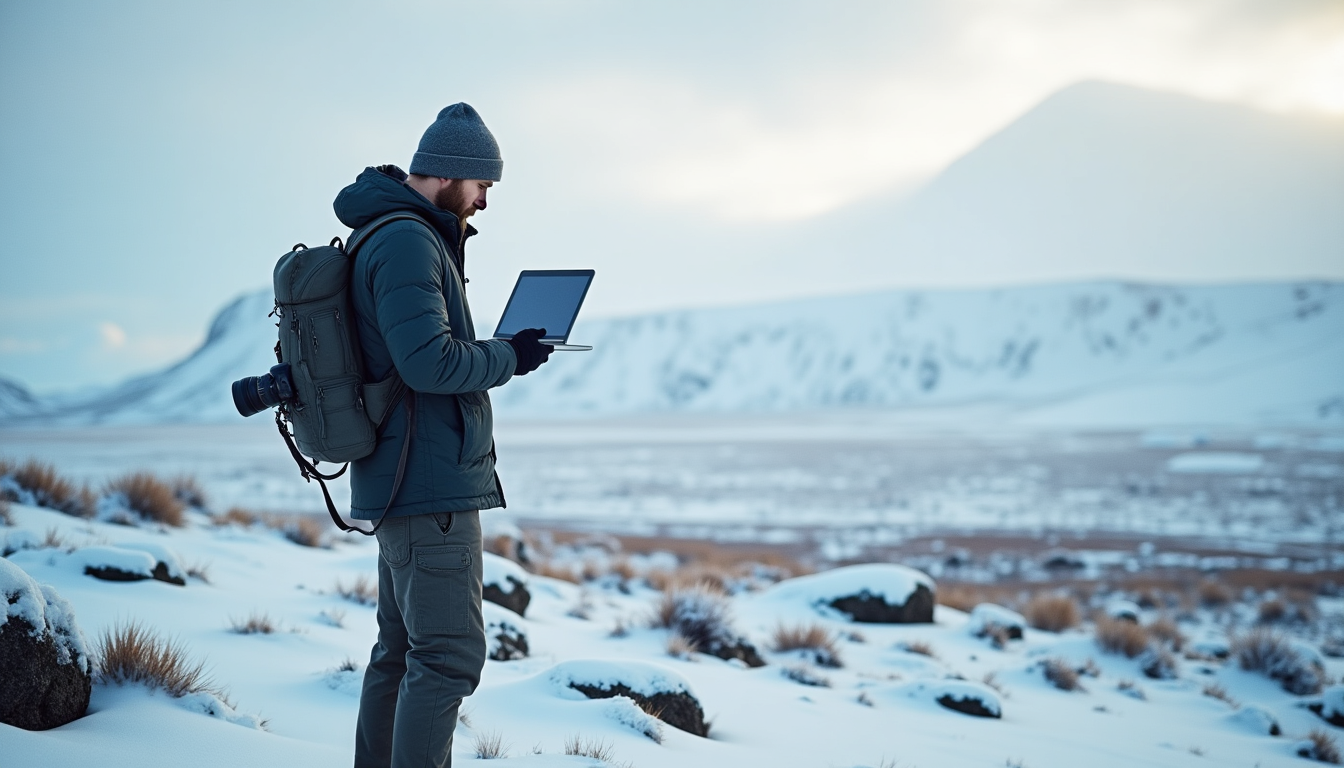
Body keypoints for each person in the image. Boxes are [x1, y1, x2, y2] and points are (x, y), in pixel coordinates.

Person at [333, 103, 553, 768]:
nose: (485, 200)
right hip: (427, 485)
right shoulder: (406, 240)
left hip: (404, 479)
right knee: (448, 658)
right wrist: (509, 355)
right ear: (453, 174)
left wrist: (502, 350)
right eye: (483, 185)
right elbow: (429, 363)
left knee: (402, 656)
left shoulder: (395, 232)